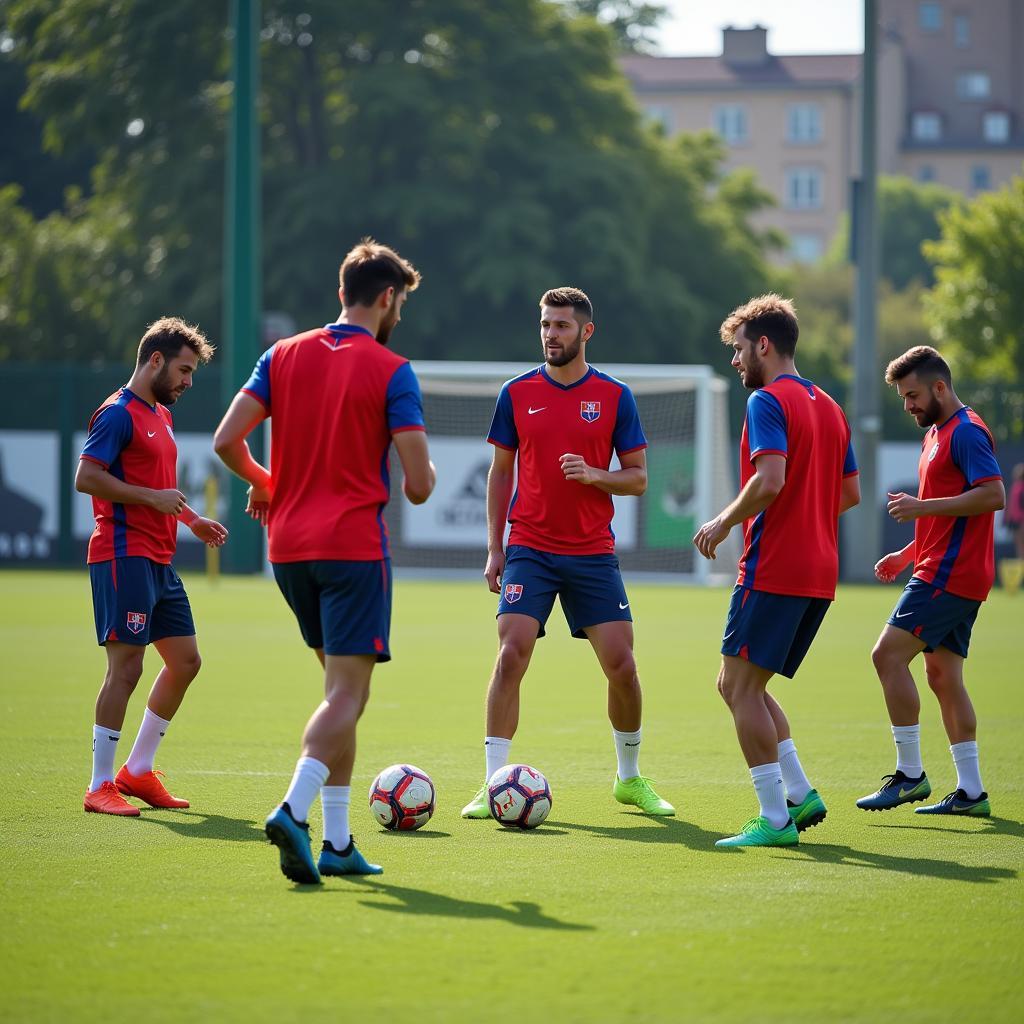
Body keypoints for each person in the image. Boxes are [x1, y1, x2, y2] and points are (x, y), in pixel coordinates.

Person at [213, 239, 435, 885]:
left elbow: (229, 441)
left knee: (341, 695)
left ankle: (338, 844)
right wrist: (427, 467)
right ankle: (294, 806)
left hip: (288, 551)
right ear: (388, 297)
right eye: (402, 304)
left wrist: (267, 480)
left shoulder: (280, 354)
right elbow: (419, 486)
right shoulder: (392, 368)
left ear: (342, 289)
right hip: (352, 550)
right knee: (347, 694)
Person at [460, 286, 675, 820]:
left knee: (622, 666)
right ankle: (493, 785)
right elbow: (500, 472)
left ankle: (629, 779)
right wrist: (495, 547)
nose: (551, 335)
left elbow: (640, 478)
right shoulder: (515, 393)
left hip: (591, 552)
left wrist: (595, 474)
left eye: (561, 325)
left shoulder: (615, 396)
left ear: (586, 331)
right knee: (511, 654)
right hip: (529, 546)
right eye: (545, 324)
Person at [693, 294, 859, 849]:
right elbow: (850, 493)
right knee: (739, 683)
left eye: (739, 350)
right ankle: (799, 790)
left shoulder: (767, 401)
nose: (736, 362)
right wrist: (808, 515)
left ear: (763, 344)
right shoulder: (830, 405)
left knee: (739, 689)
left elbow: (768, 481)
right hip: (819, 568)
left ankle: (776, 820)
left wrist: (720, 521)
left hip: (775, 565)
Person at [76, 317, 226, 816]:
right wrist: (154, 499)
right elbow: (87, 477)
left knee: (186, 662)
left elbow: (159, 490)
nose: (187, 381)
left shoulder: (161, 414)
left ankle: (137, 771)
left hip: (159, 559)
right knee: (127, 668)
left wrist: (192, 519)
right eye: (184, 370)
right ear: (156, 360)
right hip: (123, 554)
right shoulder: (117, 413)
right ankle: (100, 785)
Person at [859, 346, 1004, 817]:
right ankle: (971, 792)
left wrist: (920, 509)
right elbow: (945, 512)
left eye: (913, 395)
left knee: (886, 656)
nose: (908, 406)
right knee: (943, 676)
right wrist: (907, 552)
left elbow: (993, 495)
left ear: (940, 387)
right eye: (903, 397)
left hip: (949, 574)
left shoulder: (966, 432)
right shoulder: (935, 434)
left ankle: (909, 775)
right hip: (940, 568)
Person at [1004, 463, 1024, 559]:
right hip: (1015, 520)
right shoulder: (1016, 486)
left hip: (1021, 520)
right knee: (1019, 544)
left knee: (1021, 543)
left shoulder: (1021, 487)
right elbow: (1011, 505)